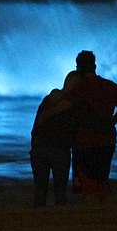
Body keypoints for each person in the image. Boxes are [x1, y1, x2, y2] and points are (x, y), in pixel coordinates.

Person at [39, 51, 117, 203]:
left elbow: (63, 106)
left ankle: (92, 216)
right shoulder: (110, 85)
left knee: (87, 184)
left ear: (78, 68)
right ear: (94, 66)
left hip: (85, 143)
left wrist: (45, 115)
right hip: (108, 141)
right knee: (102, 180)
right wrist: (113, 121)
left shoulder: (81, 88)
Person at [29, 71, 81, 207]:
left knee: (40, 190)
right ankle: (58, 221)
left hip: (39, 146)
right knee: (60, 191)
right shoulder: (74, 104)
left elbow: (39, 123)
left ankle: (38, 221)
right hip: (60, 149)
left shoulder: (51, 97)